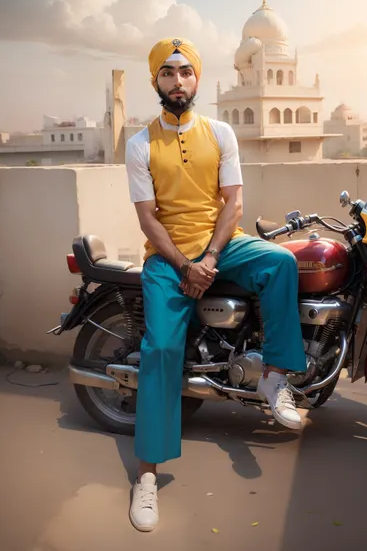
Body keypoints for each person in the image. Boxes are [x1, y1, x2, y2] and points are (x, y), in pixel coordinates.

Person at [125, 37, 306, 532]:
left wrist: (210, 257)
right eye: (167, 72)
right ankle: (146, 475)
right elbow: (148, 220)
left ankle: (272, 376)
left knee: (281, 263)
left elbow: (234, 205)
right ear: (155, 80)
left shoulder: (220, 132)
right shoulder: (140, 144)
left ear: (197, 79)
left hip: (221, 247)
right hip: (168, 260)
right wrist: (186, 265)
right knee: (161, 348)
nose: (177, 80)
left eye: (185, 72)